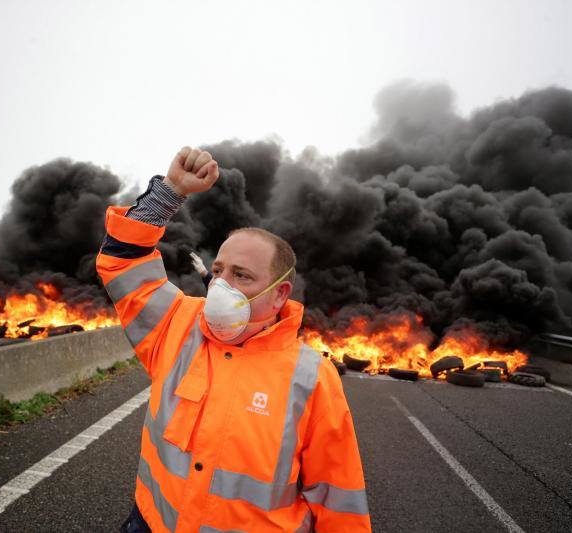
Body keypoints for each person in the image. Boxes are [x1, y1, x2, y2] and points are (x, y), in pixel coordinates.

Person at [97, 146, 370, 532]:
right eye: (219, 270)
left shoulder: (312, 378)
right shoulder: (177, 324)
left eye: (241, 276)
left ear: (279, 294)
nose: (220, 285)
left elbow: (338, 500)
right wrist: (171, 191)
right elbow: (121, 260)